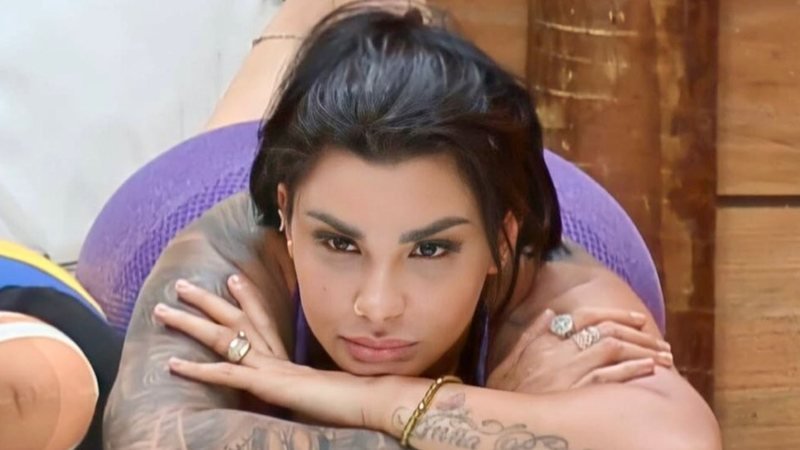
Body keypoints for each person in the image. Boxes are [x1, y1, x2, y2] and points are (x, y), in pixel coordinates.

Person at [103, 1, 721, 449]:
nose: (377, 306)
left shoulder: (556, 297)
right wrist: (500, 420)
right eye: (338, 242)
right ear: (287, 219)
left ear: (501, 243)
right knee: (291, 66)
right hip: (195, 186)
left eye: (430, 250)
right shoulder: (224, 260)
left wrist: (356, 398)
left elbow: (680, 443)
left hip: (556, 207)